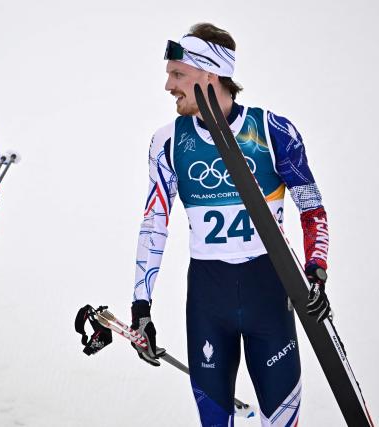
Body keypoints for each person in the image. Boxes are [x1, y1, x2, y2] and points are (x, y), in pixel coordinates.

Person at [129, 23, 331, 426]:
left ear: (210, 74)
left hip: (269, 296)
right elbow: (154, 224)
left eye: (177, 74)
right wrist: (140, 307)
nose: (168, 85)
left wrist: (317, 271)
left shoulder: (273, 133)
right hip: (208, 299)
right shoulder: (167, 142)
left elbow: (313, 210)